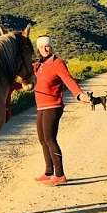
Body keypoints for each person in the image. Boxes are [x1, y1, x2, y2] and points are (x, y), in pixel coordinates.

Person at [32, 35, 91, 185]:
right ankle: (48, 172)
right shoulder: (38, 65)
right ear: (38, 48)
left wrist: (79, 95)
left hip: (53, 106)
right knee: (42, 140)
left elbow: (68, 80)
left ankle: (60, 175)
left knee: (50, 139)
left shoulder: (57, 63)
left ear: (51, 46)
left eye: (47, 46)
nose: (45, 49)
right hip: (41, 106)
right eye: (41, 46)